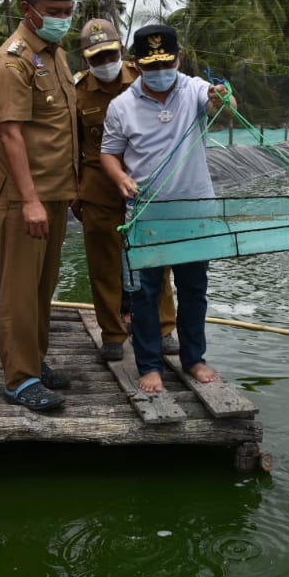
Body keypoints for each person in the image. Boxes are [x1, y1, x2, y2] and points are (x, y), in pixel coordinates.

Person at [100, 24, 232, 394]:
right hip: (147, 215)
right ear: (136, 64)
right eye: (149, 65)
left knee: (194, 288)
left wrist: (224, 96)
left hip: (194, 213)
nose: (159, 72)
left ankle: (194, 358)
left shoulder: (192, 89)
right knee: (144, 293)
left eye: (165, 63)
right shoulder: (121, 105)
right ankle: (149, 365)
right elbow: (108, 154)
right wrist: (120, 179)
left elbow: (224, 106)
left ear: (178, 58)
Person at [0, 0, 79, 412]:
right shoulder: (12, 62)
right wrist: (31, 200)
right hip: (24, 198)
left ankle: (35, 362)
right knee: (19, 291)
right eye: (54, 13)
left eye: (67, 12)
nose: (62, 20)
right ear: (29, 10)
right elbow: (10, 135)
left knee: (43, 287)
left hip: (54, 193)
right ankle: (19, 379)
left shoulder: (55, 54)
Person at [71, 19, 177, 362]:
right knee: (104, 266)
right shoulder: (77, 91)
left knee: (156, 260)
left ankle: (164, 328)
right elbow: (71, 146)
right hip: (99, 191)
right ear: (86, 59)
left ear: (121, 50)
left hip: (147, 188)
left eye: (109, 54)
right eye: (95, 58)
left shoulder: (146, 77)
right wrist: (75, 192)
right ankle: (113, 333)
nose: (104, 63)